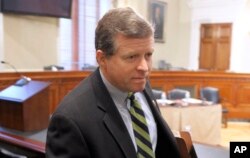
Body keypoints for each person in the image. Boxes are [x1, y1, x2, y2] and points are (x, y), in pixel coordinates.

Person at [46, 7, 180, 158]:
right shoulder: (70, 120)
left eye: (148, 55)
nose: (144, 67)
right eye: (131, 57)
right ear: (102, 59)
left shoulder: (139, 84)